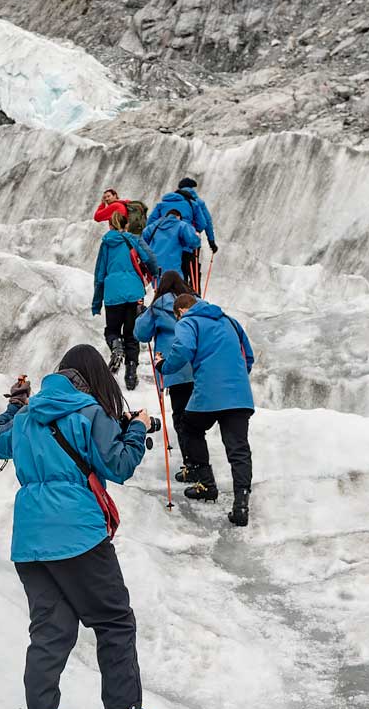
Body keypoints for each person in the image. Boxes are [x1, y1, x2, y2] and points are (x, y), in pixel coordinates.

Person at [0, 344, 162, 709]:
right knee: (114, 619)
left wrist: (14, 405)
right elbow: (118, 466)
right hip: (77, 534)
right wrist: (136, 429)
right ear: (92, 377)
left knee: (50, 630)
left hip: (30, 541)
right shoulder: (88, 412)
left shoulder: (27, 418)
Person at [161, 292, 256, 527]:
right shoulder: (230, 321)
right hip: (239, 394)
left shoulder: (188, 321)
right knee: (239, 449)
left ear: (180, 311)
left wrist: (164, 366)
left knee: (189, 427)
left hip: (209, 392)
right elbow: (249, 357)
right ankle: (241, 504)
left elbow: (183, 348)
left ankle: (207, 484)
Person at [134, 271, 198, 471]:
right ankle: (199, 464)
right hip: (197, 366)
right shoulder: (195, 303)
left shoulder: (158, 307)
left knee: (181, 417)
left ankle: (191, 463)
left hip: (173, 368)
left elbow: (141, 334)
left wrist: (142, 314)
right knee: (196, 416)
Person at [91, 210, 158, 391]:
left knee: (112, 330)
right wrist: (155, 274)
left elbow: (99, 274)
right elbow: (149, 258)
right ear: (126, 225)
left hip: (113, 293)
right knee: (132, 334)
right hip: (135, 292)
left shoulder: (106, 243)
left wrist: (96, 303)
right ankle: (131, 373)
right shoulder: (133, 239)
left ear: (110, 225)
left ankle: (115, 345)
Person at [145, 178, 219, 288]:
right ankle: (194, 298)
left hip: (167, 247)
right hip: (188, 246)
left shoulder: (162, 204)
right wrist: (211, 241)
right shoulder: (196, 202)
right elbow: (204, 223)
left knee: (172, 275)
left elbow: (150, 223)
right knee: (192, 274)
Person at [142, 210, 200, 285]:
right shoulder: (181, 225)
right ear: (178, 217)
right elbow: (193, 242)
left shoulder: (154, 226)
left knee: (159, 290)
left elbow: (142, 243)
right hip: (174, 268)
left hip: (156, 268)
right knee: (174, 291)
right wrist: (197, 237)